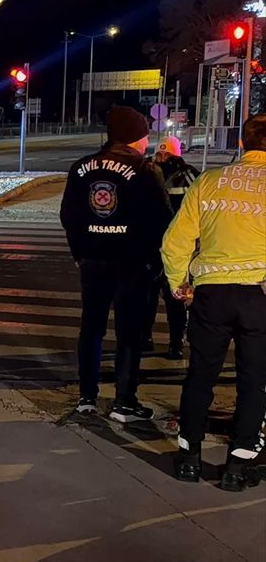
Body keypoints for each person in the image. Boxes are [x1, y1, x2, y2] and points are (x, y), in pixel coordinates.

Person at [163, 114, 266, 491]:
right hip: (259, 294)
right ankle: (238, 464)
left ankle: (189, 456)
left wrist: (179, 283)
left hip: (211, 293)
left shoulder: (209, 183)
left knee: (200, 375)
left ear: (241, 144)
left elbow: (175, 241)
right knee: (254, 381)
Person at [60, 106, 174, 421]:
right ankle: (125, 400)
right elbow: (163, 219)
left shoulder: (81, 167)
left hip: (94, 261)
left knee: (92, 328)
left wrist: (79, 253)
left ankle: (87, 396)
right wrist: (155, 258)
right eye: (145, 135)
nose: (147, 141)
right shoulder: (144, 169)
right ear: (135, 137)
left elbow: (68, 216)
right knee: (129, 333)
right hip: (133, 263)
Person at [144, 136, 200, 359]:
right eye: (160, 153)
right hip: (151, 245)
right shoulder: (147, 173)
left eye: (167, 154)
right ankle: (146, 338)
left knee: (174, 297)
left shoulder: (188, 175)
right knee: (148, 296)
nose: (162, 157)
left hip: (177, 247)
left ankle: (175, 342)